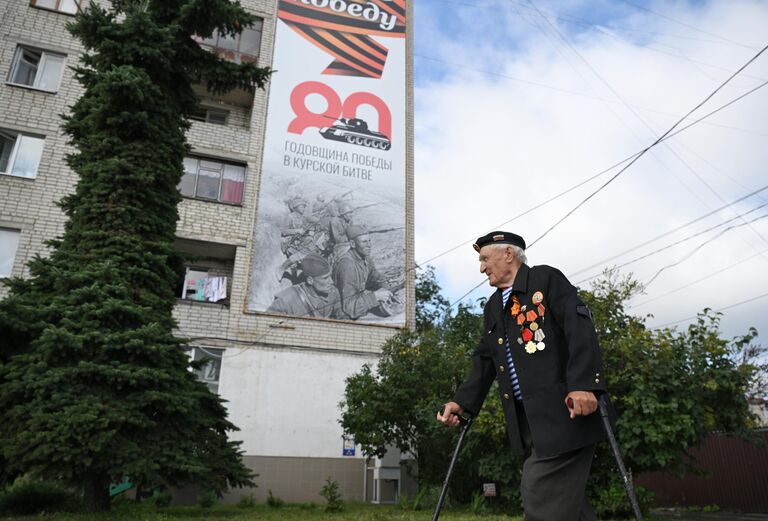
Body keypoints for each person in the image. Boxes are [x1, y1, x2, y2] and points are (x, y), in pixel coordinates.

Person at [437, 231, 609, 521]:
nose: (481, 268)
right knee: (565, 506)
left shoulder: (545, 281)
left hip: (565, 413)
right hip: (530, 422)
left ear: (508, 254)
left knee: (539, 491)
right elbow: (485, 359)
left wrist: (583, 385)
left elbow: (578, 326)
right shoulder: (493, 306)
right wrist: (462, 402)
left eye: (484, 259)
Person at [332, 225, 392, 320]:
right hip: (342, 313)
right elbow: (349, 307)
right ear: (352, 244)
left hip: (358, 304)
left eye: (369, 241)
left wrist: (387, 291)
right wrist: (375, 296)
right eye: (364, 242)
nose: (369, 245)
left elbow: (376, 278)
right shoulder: (347, 265)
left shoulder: (365, 257)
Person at [268, 253, 342, 318]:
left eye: (330, 276)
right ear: (310, 280)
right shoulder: (285, 300)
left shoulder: (333, 293)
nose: (331, 282)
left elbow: (341, 317)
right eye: (325, 278)